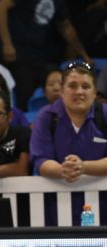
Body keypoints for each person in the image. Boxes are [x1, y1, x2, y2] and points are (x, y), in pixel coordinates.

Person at [30, 61, 107, 226]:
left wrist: (83, 167)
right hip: (55, 212)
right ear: (62, 91)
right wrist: (62, 170)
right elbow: (40, 160)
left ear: (95, 93)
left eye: (86, 86)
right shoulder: (47, 116)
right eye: (72, 86)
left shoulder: (105, 115)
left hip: (103, 211)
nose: (79, 91)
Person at [0, 0, 91, 110]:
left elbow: (66, 27)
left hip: (39, 53)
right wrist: (7, 43)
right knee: (24, 95)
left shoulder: (58, 2)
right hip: (17, 52)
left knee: (44, 91)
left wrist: (84, 55)